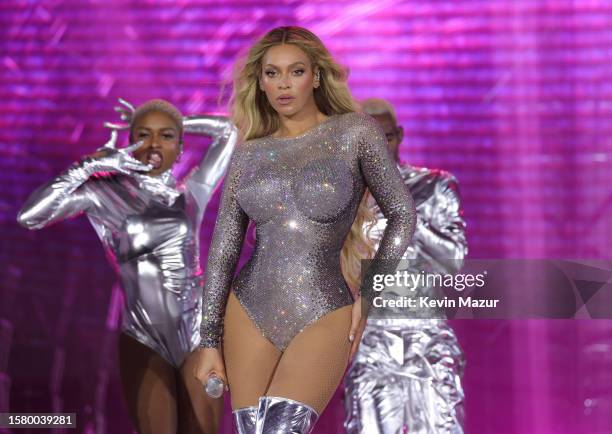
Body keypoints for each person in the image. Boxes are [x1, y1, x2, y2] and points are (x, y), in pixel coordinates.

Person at [192, 26, 416, 434]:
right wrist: (209, 340)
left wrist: (369, 293)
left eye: (295, 71)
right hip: (247, 311)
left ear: (315, 76)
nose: (283, 84)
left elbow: (402, 212)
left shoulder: (355, 132)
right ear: (259, 82)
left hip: (325, 310)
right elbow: (223, 250)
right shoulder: (250, 153)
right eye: (272, 73)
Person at [17, 98, 238, 434]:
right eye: (143, 135)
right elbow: (30, 216)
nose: (153, 144)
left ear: (180, 148)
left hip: (199, 338)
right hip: (143, 338)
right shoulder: (105, 192)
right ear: (129, 142)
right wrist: (86, 167)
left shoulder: (191, 193)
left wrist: (178, 119)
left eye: (166, 136)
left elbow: (228, 131)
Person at [344, 98, 468, 434]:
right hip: (371, 341)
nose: (378, 147)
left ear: (398, 136)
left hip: (426, 338)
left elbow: (454, 261)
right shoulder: (346, 197)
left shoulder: (435, 186)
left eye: (384, 137)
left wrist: (405, 212)